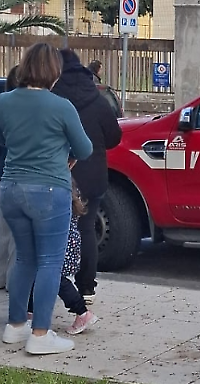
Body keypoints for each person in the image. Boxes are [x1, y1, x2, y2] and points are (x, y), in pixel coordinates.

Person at [0, 43, 92, 354]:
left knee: (24, 258)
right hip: (50, 191)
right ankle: (40, 333)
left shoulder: (4, 102)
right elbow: (85, 149)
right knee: (49, 262)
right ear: (54, 73)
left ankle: (15, 326)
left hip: (11, 187)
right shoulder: (61, 106)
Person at [52, 49, 121, 304]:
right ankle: (86, 287)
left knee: (52, 232)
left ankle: (55, 283)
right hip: (92, 176)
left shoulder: (53, 97)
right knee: (86, 229)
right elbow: (115, 137)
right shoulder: (98, 99)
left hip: (59, 175)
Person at [28, 180, 99, 335]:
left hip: (58, 244)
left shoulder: (52, 194)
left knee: (56, 279)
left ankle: (83, 313)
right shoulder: (69, 190)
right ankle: (30, 314)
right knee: (41, 277)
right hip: (68, 242)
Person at [0, 66, 19, 290]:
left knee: (3, 231)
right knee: (17, 237)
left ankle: (2, 276)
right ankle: (13, 282)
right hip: (15, 175)